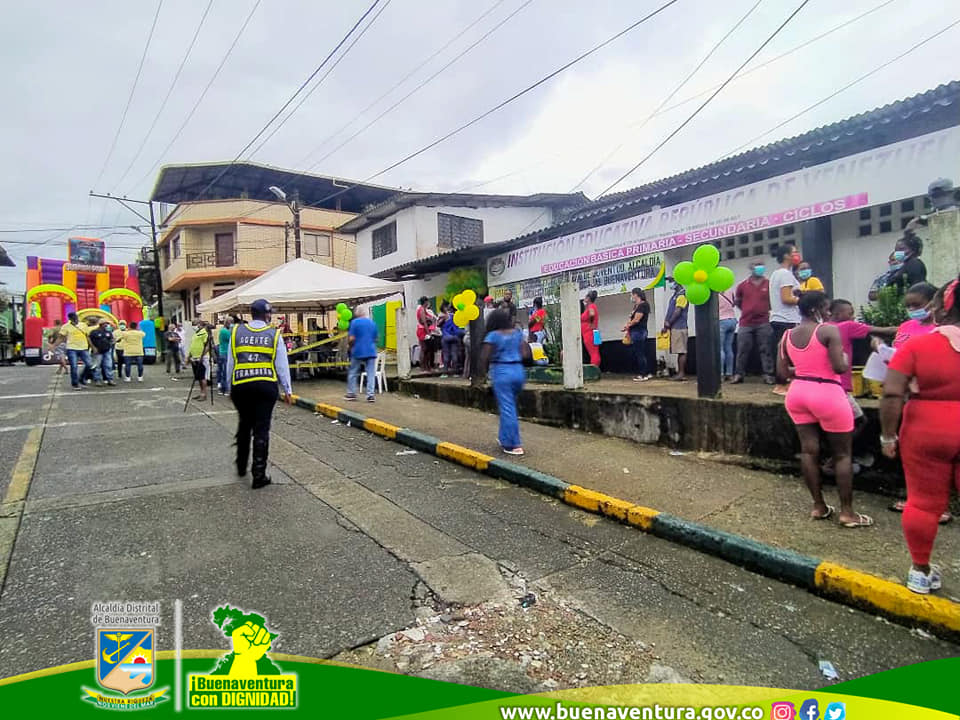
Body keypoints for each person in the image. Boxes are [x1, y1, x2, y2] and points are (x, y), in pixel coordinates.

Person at [880, 276, 960, 593]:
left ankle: (920, 571)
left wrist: (888, 436)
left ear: (942, 307)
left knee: (924, 503)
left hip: (926, 427)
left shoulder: (917, 345)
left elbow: (891, 395)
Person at [778, 291, 872, 528]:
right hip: (828, 392)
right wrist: (841, 357)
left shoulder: (787, 335)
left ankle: (819, 506)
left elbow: (781, 373)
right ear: (815, 309)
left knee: (809, 452)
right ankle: (847, 513)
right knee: (842, 454)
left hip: (797, 392)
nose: (829, 313)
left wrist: (804, 369)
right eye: (826, 308)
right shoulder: (829, 331)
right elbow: (839, 367)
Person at [227, 299, 293, 489]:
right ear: (267, 315)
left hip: (241, 385)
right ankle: (259, 474)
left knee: (244, 424)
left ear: (251, 314)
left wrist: (229, 387)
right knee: (261, 429)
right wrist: (287, 389)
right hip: (266, 386)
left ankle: (241, 465)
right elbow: (281, 365)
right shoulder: (274, 334)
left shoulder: (236, 332)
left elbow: (231, 362)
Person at [826, 299, 896, 471]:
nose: (852, 316)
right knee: (861, 421)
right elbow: (884, 330)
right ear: (838, 314)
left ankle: (839, 456)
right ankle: (837, 459)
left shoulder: (824, 328)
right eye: (849, 313)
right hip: (841, 386)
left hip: (826, 385)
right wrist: (907, 328)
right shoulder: (847, 326)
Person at [479, 309, 530, 456]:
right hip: (518, 371)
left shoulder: (493, 336)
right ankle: (504, 438)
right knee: (509, 405)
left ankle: (514, 445)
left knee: (507, 408)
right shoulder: (517, 333)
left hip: (502, 371)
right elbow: (525, 353)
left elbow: (484, 357)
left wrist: (484, 373)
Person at [769, 244, 802, 395]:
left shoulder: (777, 274)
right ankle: (781, 384)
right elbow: (786, 298)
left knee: (783, 353)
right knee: (786, 354)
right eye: (794, 252)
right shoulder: (785, 275)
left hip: (780, 318)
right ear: (786, 256)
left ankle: (784, 384)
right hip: (787, 319)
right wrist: (804, 299)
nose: (797, 255)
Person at [345, 307, 379, 402]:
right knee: (371, 373)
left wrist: (350, 347)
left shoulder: (355, 323)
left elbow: (351, 338)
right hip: (371, 351)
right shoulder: (372, 323)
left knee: (353, 372)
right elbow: (376, 339)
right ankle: (370, 395)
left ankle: (351, 393)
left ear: (356, 314)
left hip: (358, 350)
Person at [893, 282, 938, 348]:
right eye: (908, 306)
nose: (911, 309)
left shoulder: (940, 329)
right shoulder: (905, 326)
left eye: (916, 305)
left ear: (932, 303)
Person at [662, 280, 689, 380]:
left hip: (679, 327)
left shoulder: (681, 295)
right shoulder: (675, 295)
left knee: (681, 351)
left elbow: (678, 311)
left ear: (677, 283)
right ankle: (680, 373)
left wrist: (669, 323)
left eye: (670, 281)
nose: (669, 284)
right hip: (675, 327)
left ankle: (681, 374)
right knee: (679, 351)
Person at [58, 312, 93, 390]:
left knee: (89, 364)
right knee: (74, 366)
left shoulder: (83, 325)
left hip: (83, 348)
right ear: (70, 319)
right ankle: (75, 383)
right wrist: (53, 345)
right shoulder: (65, 327)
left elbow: (88, 336)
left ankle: (82, 378)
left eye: (76, 318)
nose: (76, 319)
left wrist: (92, 346)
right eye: (74, 318)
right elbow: (61, 337)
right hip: (72, 348)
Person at [623, 288, 651, 381]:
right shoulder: (637, 306)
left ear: (636, 295)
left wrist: (627, 326)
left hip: (639, 332)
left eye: (632, 294)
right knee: (640, 353)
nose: (631, 297)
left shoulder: (643, 305)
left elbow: (636, 319)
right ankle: (645, 372)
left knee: (640, 353)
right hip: (636, 332)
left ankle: (643, 374)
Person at [89, 320, 116, 386]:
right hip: (97, 351)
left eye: (107, 324)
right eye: (105, 324)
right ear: (101, 324)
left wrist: (112, 342)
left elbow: (111, 340)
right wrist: (93, 348)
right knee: (97, 366)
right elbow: (89, 340)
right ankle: (97, 380)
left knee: (108, 365)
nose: (106, 325)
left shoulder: (108, 332)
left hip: (107, 351)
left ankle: (110, 379)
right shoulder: (94, 332)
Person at [188, 321, 211, 400]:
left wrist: (202, 355)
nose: (194, 326)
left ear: (200, 325)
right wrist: (189, 356)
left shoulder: (204, 333)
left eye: (195, 325)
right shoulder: (196, 334)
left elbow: (207, 346)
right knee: (198, 377)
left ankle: (204, 394)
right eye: (193, 325)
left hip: (201, 358)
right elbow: (193, 346)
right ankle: (201, 393)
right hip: (195, 358)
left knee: (202, 377)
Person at [440, 303, 464, 377]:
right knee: (454, 355)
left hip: (446, 337)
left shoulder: (442, 316)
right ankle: (455, 372)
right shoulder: (456, 316)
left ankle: (445, 372)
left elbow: (438, 325)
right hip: (455, 337)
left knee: (446, 355)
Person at [717, 289, 737, 381]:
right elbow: (733, 304)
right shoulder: (730, 291)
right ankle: (729, 373)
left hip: (721, 321)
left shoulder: (714, 294)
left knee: (720, 348)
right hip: (732, 320)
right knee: (728, 348)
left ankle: (720, 374)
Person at [416, 296, 438, 372]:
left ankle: (426, 366)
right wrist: (428, 333)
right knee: (424, 349)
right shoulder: (421, 309)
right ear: (425, 302)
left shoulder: (423, 309)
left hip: (424, 330)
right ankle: (423, 367)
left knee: (427, 349)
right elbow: (424, 322)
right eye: (427, 302)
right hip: (423, 330)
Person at [580, 290, 601, 368]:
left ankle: (594, 368)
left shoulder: (591, 306)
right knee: (595, 351)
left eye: (586, 297)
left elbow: (592, 314)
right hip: (594, 332)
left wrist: (591, 322)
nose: (584, 299)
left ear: (588, 298)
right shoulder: (591, 306)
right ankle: (596, 367)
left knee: (593, 352)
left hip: (589, 332)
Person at [217, 317, 233, 396]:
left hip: (223, 352)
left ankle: (222, 388)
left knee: (223, 371)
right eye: (231, 322)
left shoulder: (223, 330)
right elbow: (232, 338)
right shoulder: (225, 331)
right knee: (226, 371)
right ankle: (225, 389)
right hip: (225, 352)